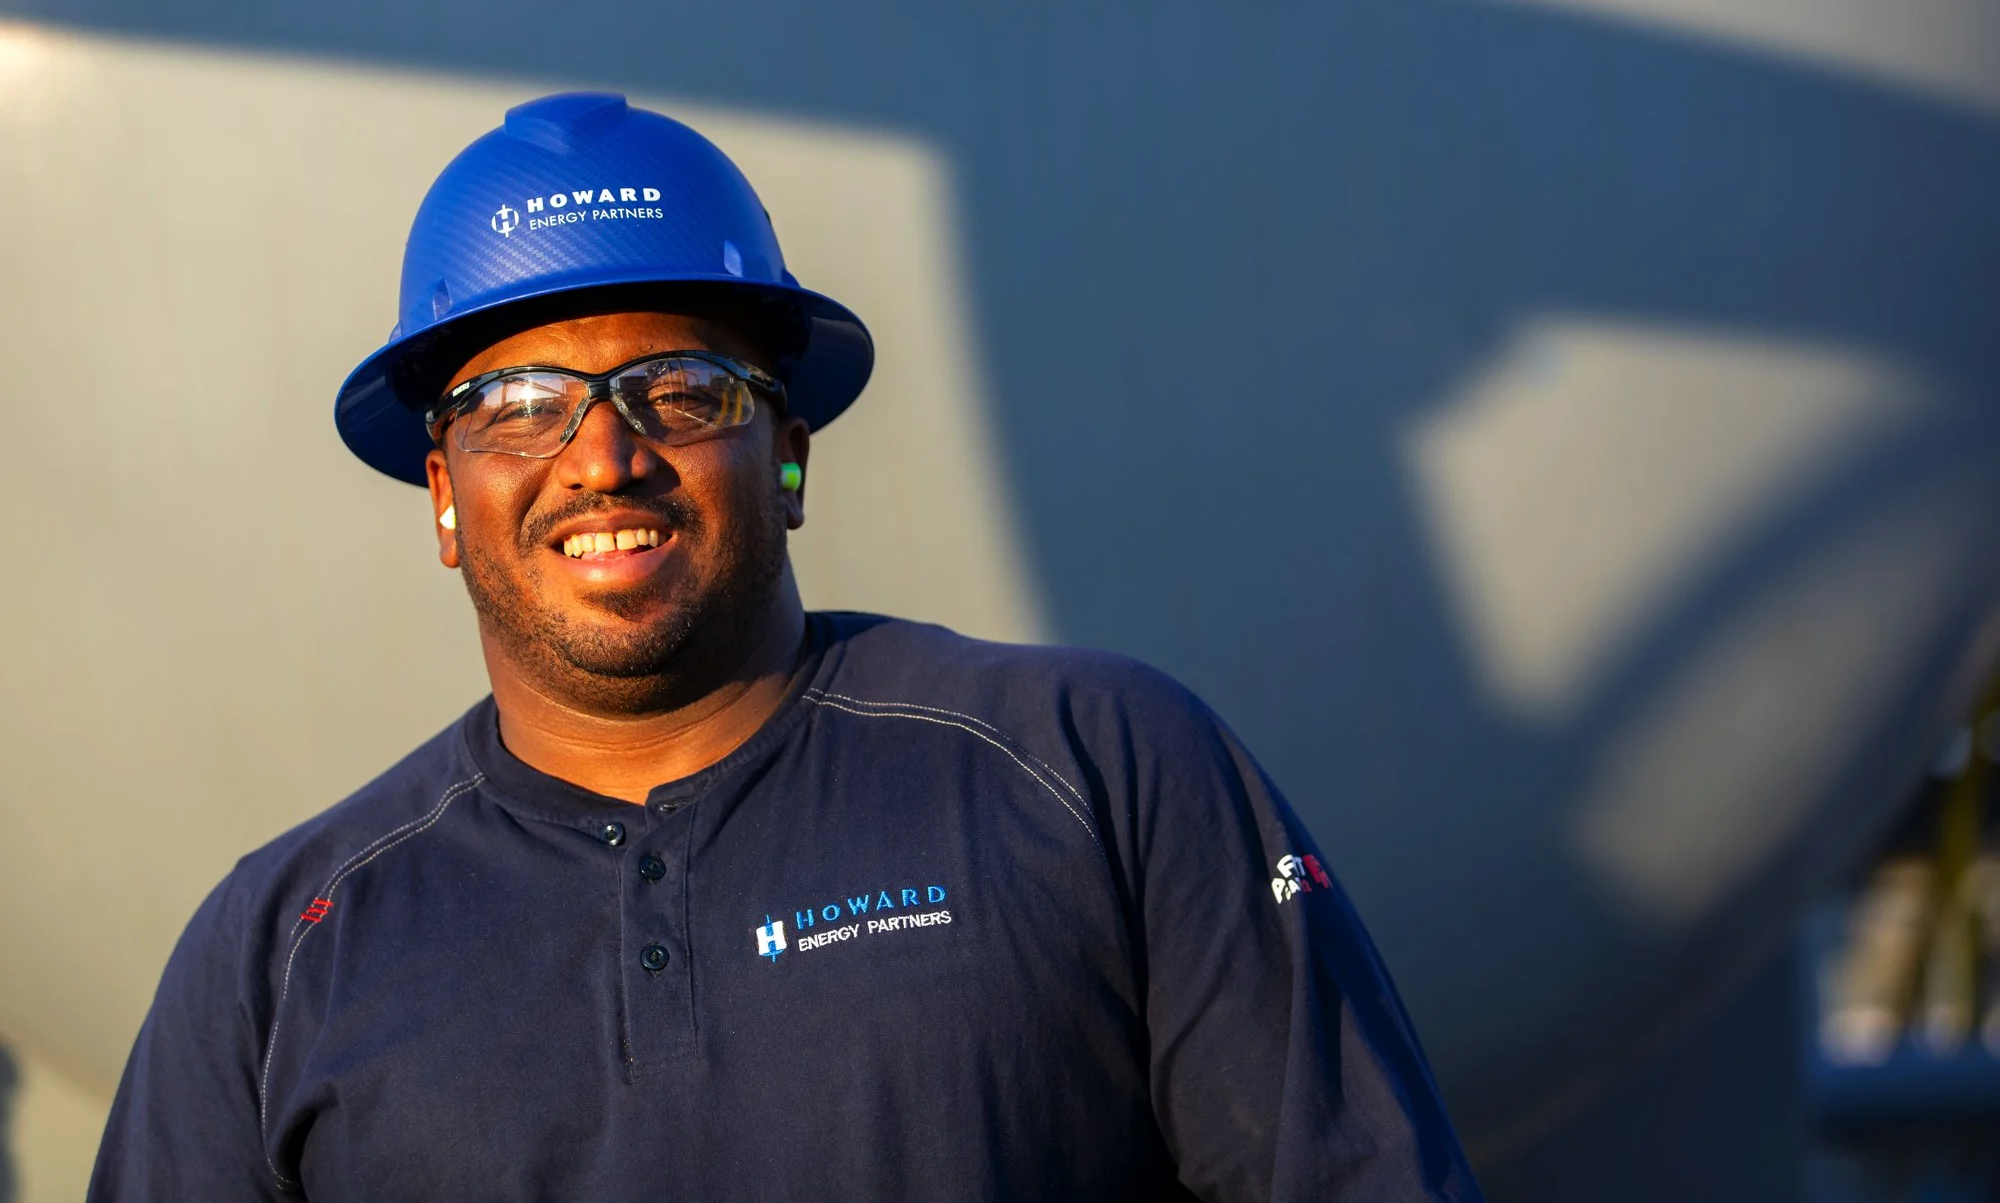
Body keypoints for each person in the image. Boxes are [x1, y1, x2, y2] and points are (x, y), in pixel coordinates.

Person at [90, 93, 1482, 1201]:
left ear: (791, 452)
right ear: (446, 491)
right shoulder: (281, 951)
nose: (603, 457)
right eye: (516, 404)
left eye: (682, 391)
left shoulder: (1096, 768)